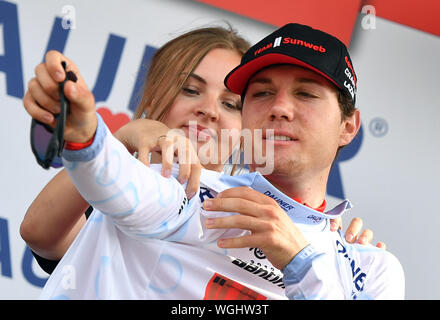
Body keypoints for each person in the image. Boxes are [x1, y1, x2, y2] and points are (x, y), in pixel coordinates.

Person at [33, 23, 404, 300]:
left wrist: (304, 262)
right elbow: (98, 193)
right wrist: (90, 133)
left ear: (349, 126)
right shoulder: (183, 193)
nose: (279, 108)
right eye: (262, 94)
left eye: (306, 94)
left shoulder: (367, 266)